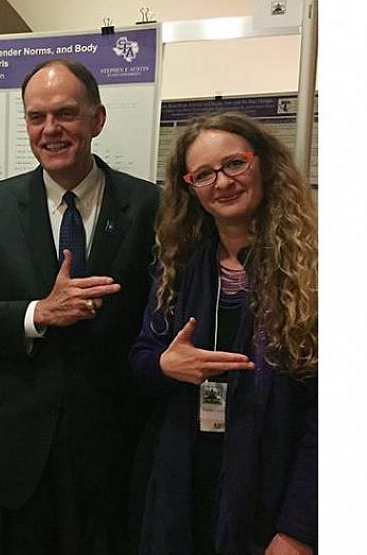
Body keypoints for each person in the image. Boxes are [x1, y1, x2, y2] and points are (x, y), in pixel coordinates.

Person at [0, 59, 160, 555]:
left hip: (114, 445)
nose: (51, 130)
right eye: (36, 117)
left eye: (66, 113)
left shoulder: (149, 206)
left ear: (97, 119)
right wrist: (37, 314)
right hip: (19, 449)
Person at [129, 112, 317, 555]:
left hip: (274, 492)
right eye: (205, 174)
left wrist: (299, 529)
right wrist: (164, 364)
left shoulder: (315, 267)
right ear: (189, 186)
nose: (223, 182)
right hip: (185, 483)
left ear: (263, 163)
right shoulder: (178, 263)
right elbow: (141, 357)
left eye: (235, 163)